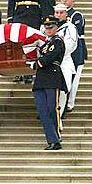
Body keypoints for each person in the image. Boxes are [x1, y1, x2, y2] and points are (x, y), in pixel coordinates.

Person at [7, 0, 53, 83]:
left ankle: (29, 71)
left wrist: (44, 21)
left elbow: (43, 4)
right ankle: (18, 71)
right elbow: (11, 4)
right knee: (18, 45)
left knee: (31, 44)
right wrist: (10, 20)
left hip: (34, 17)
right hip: (19, 17)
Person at [29, 16, 67, 150]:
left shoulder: (57, 41)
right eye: (46, 27)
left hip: (52, 77)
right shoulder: (45, 44)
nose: (48, 29)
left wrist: (37, 63)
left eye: (51, 27)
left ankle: (56, 138)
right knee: (43, 111)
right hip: (41, 79)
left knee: (52, 109)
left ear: (57, 27)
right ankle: (51, 139)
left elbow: (50, 56)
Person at [58, 0, 88, 112]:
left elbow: (76, 31)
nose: (64, 1)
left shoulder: (76, 15)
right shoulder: (59, 14)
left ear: (73, 1)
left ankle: (70, 103)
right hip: (63, 50)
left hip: (77, 49)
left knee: (74, 77)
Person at [53, 3, 78, 125]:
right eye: (56, 13)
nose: (58, 15)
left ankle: (60, 113)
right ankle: (51, 113)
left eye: (61, 13)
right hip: (51, 63)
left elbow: (71, 44)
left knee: (63, 90)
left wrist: (57, 53)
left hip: (64, 62)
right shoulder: (48, 26)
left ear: (66, 14)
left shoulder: (70, 27)